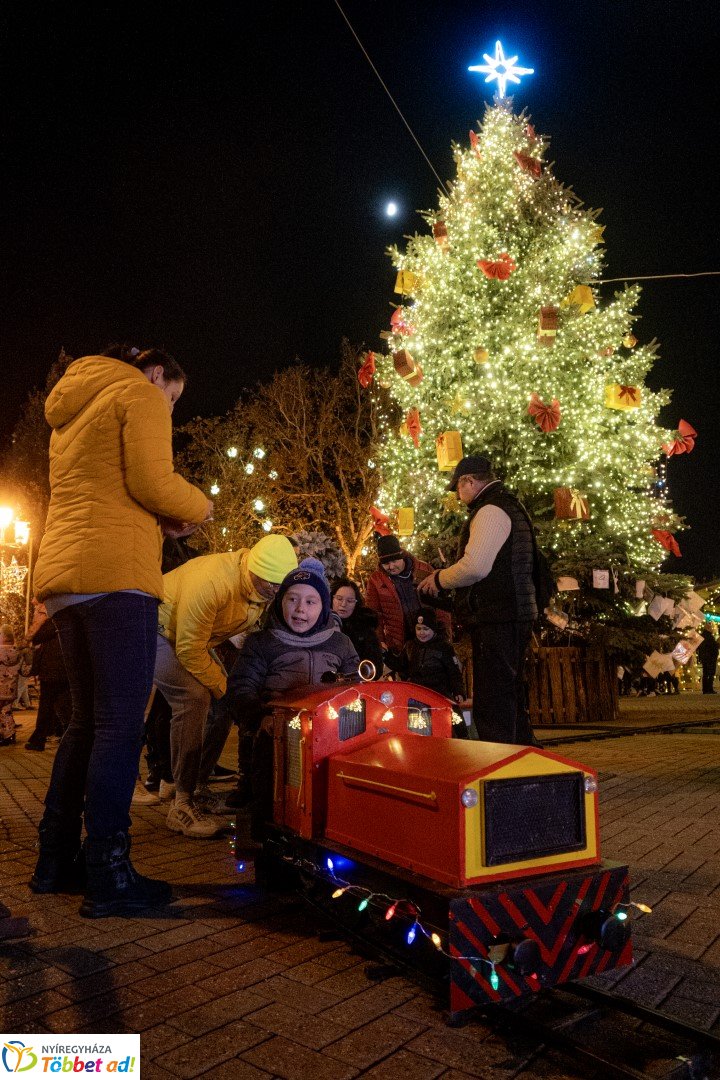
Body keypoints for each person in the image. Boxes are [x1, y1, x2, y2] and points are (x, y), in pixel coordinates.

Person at [30, 346, 211, 917]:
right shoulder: (138, 392)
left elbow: (109, 486)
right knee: (119, 726)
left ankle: (55, 859)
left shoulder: (74, 408)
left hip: (66, 578)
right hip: (116, 577)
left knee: (85, 723)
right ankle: (110, 872)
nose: (171, 409)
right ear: (157, 371)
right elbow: (154, 480)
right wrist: (199, 508)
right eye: (174, 397)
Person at [153, 534, 298, 837]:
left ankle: (195, 785)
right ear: (253, 570)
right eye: (269, 584)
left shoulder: (259, 587)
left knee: (221, 704)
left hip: (191, 639)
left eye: (278, 586)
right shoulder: (214, 582)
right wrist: (228, 692)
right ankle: (181, 803)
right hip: (158, 629)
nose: (274, 592)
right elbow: (189, 647)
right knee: (193, 699)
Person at [221, 558, 359, 836]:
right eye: (292, 599)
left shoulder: (340, 643)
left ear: (323, 607)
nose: (300, 609)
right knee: (270, 792)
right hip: (276, 736)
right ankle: (265, 838)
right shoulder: (263, 643)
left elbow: (356, 686)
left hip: (328, 736)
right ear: (280, 602)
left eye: (311, 602)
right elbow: (240, 687)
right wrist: (259, 716)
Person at [418, 455, 538, 746]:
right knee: (509, 693)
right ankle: (523, 754)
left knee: (494, 697)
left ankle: (500, 759)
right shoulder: (510, 505)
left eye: (458, 488)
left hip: (498, 615)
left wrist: (438, 579)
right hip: (513, 613)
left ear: (468, 481)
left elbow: (475, 566)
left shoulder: (490, 510)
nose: (458, 497)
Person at [365, 534, 451, 661]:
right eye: (386, 563)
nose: (391, 567)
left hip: (429, 637)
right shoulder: (376, 580)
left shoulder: (423, 569)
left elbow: (439, 604)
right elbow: (374, 614)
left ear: (402, 556)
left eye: (394, 561)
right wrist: (380, 641)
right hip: (400, 643)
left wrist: (444, 630)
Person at [394, 608, 469, 738]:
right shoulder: (411, 646)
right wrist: (387, 656)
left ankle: (463, 739)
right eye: (419, 629)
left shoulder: (443, 647)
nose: (422, 633)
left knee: (455, 719)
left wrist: (458, 691)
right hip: (417, 692)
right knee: (418, 725)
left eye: (426, 629)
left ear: (433, 629)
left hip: (439, 691)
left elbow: (454, 671)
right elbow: (402, 666)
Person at [24, 602, 72, 751]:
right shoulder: (63, 622)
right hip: (61, 669)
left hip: (52, 670)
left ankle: (39, 739)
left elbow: (36, 637)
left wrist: (36, 627)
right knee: (63, 705)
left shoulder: (52, 623)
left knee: (47, 705)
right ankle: (68, 736)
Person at [331, 577, 383, 677]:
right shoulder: (319, 626)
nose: (343, 604)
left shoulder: (365, 629)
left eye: (349, 601)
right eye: (339, 598)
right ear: (332, 598)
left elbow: (375, 669)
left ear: (356, 603)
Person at [1, 626, 32, 745]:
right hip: (10, 689)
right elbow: (25, 671)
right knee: (6, 711)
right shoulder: (18, 653)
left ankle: (5, 734)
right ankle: (9, 734)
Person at [697, 629, 719, 694]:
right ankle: (710, 689)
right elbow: (714, 647)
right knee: (711, 673)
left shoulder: (701, 637)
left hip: (704, 658)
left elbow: (699, 648)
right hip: (711, 658)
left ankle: (705, 689)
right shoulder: (710, 637)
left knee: (705, 673)